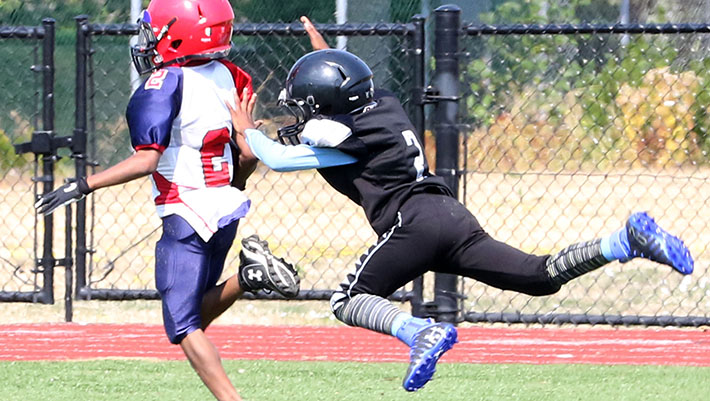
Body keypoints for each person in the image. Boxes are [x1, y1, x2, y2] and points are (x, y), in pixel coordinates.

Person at [226, 16, 695, 392]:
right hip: (450, 216)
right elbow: (345, 88)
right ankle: (623, 241)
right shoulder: (382, 102)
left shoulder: (340, 137)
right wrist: (323, 56)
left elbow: (277, 158)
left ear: (324, 109)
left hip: (412, 224)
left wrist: (246, 128)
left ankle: (420, 332)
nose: (298, 116)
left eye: (304, 107)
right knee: (540, 277)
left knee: (347, 300)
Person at [34, 1, 299, 400]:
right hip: (226, 205)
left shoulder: (166, 82)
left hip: (185, 211)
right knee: (193, 316)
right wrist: (235, 186)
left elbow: (147, 160)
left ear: (177, 35)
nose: (147, 41)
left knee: (182, 325)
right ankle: (249, 277)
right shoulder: (231, 75)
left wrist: (83, 185)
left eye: (153, 32)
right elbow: (248, 155)